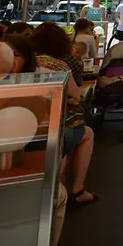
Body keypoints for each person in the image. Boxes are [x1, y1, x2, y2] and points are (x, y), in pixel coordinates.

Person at [31, 22, 98, 206]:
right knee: (85, 133)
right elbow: (76, 94)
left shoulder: (24, 63)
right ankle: (77, 190)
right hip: (52, 128)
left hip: (24, 128)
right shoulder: (59, 66)